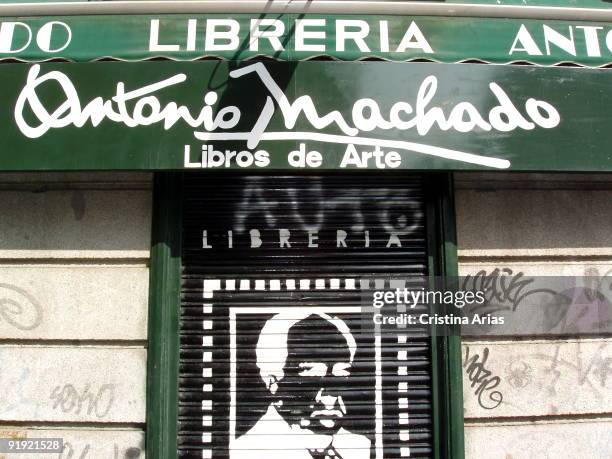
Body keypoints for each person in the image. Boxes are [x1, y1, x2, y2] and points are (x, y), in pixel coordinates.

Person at [231, 310, 372, 459]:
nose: (330, 394)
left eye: (341, 372)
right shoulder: (248, 451)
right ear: (273, 383)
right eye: (313, 374)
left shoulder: (360, 447)